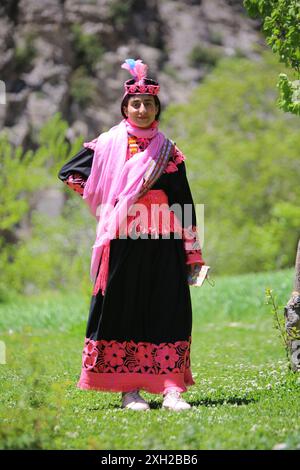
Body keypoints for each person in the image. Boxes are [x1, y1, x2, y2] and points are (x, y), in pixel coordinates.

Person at [58, 58, 207, 411]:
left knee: (168, 309)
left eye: (149, 104)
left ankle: (171, 387)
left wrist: (194, 253)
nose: (142, 110)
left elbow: (183, 202)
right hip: (123, 240)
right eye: (136, 104)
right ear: (126, 107)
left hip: (165, 243)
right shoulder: (107, 145)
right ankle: (129, 391)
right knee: (125, 309)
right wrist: (108, 200)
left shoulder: (169, 152)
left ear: (157, 108)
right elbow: (70, 173)